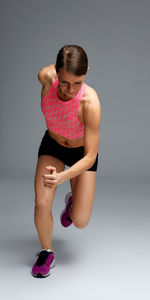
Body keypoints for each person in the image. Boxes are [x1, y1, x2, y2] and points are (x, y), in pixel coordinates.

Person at [31, 45, 101, 278]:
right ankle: (46, 252)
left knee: (80, 221)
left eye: (78, 82)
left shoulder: (90, 103)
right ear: (57, 74)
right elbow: (50, 72)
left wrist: (62, 178)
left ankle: (72, 203)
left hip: (81, 154)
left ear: (86, 73)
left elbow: (90, 156)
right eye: (64, 81)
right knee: (42, 204)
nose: (70, 89)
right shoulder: (45, 77)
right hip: (53, 146)